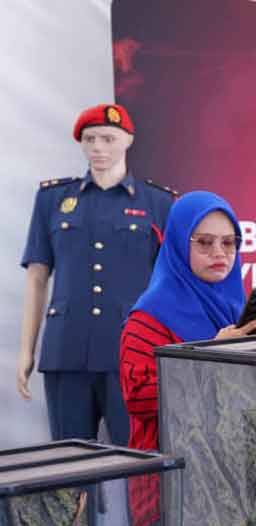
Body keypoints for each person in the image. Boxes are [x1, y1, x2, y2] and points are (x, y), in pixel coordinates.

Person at [119, 190, 256, 526]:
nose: (220, 253)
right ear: (179, 247)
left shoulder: (234, 308)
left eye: (229, 243)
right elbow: (139, 399)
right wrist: (210, 358)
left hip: (233, 492)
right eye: (204, 242)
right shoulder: (148, 318)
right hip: (172, 497)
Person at [17, 103, 177, 445]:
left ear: (128, 140)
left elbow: (172, 284)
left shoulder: (159, 203)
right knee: (69, 470)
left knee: (139, 465)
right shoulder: (53, 199)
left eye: (108, 138)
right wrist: (26, 350)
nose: (98, 148)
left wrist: (172, 351)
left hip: (133, 357)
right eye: (89, 139)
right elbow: (36, 276)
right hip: (67, 352)